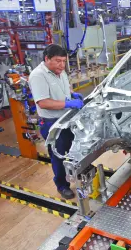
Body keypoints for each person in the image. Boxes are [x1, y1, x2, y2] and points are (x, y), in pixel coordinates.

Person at [29, 44, 84, 199]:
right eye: (58, 61)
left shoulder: (60, 72)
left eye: (64, 61)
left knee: (74, 148)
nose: (62, 65)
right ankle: (61, 185)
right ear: (47, 59)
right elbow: (43, 102)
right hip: (52, 123)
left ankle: (76, 172)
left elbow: (64, 90)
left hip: (67, 118)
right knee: (58, 155)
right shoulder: (38, 75)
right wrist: (68, 103)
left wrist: (72, 95)